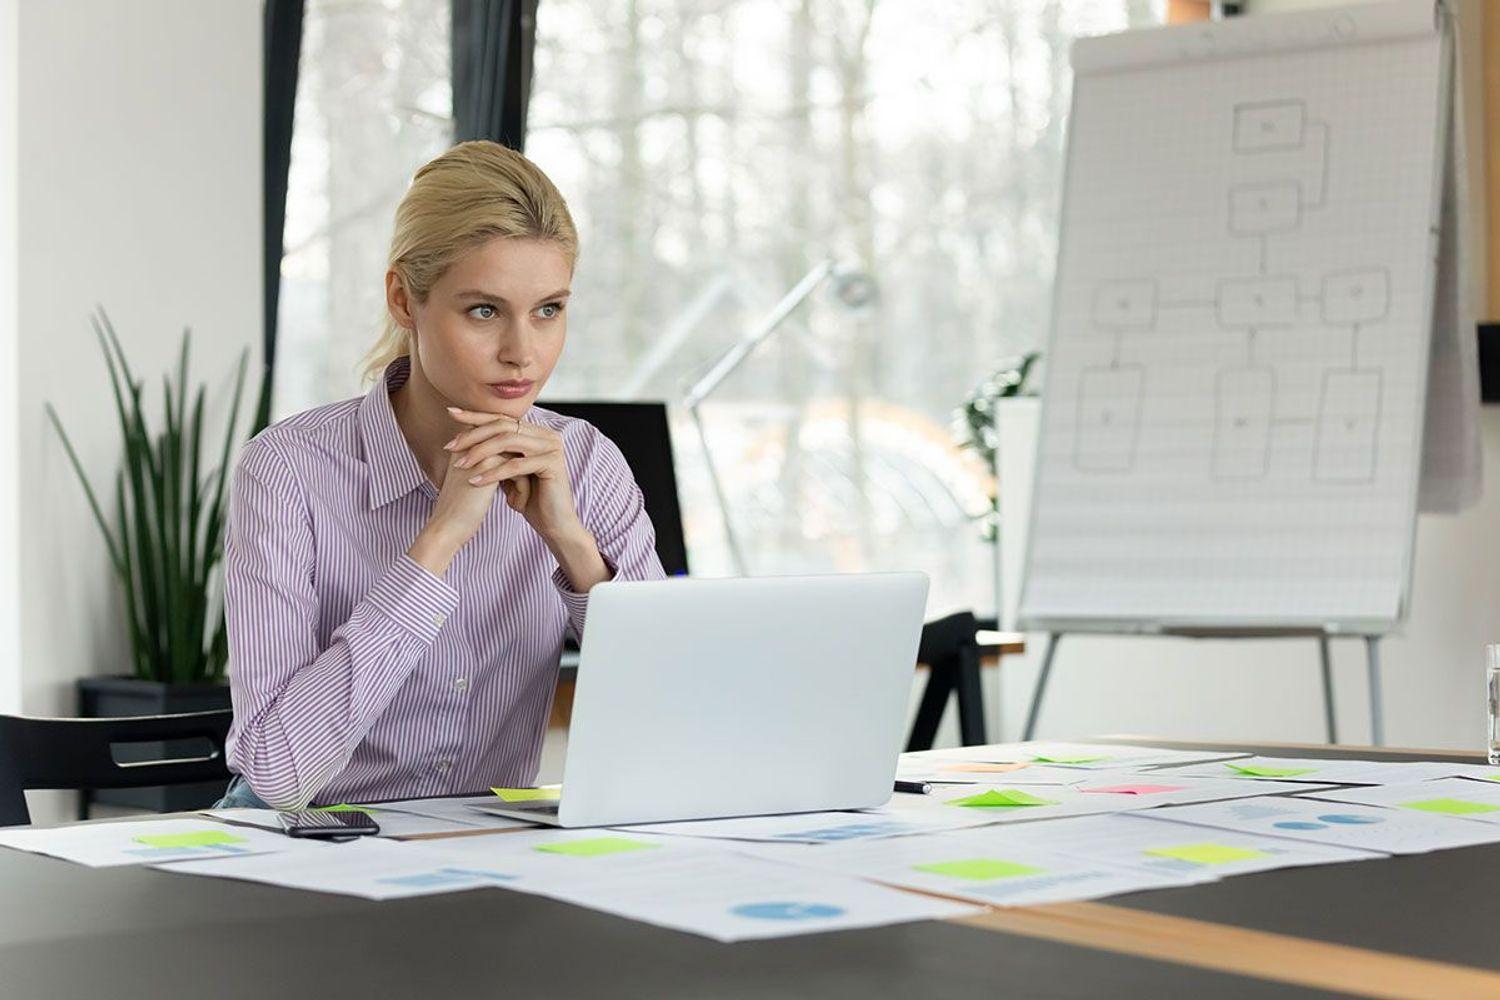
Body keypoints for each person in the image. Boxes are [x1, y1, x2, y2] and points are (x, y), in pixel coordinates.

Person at [213, 141, 666, 811]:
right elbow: (279, 773)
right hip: (304, 847)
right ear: (403, 298)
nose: (523, 352)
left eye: (549, 310)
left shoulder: (589, 462)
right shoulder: (288, 472)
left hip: (482, 846)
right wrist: (439, 542)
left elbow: (672, 716)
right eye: (484, 311)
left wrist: (572, 546)